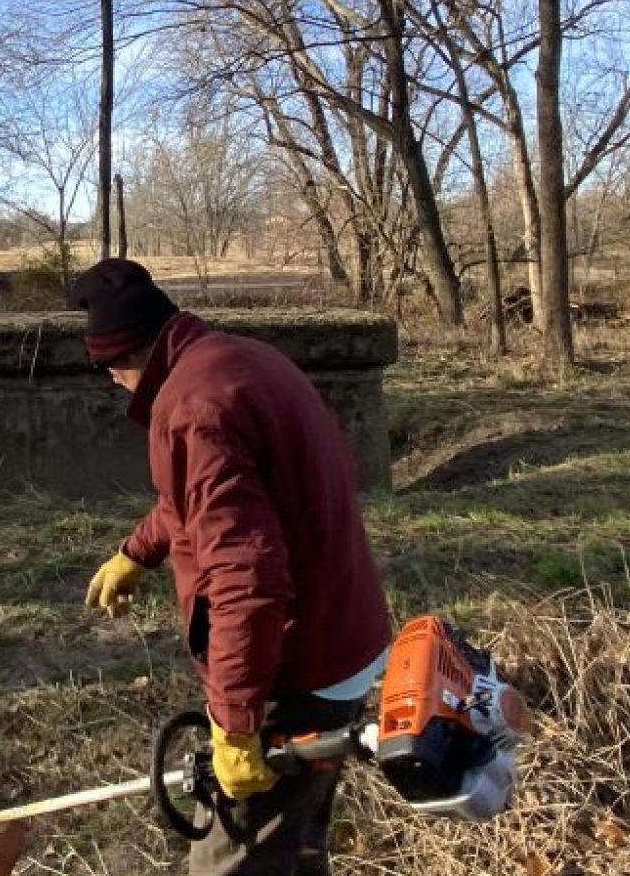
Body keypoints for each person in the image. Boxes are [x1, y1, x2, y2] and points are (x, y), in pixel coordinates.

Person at [71, 258, 392, 876]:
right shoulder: (238, 359)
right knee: (295, 845)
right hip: (344, 644)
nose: (113, 383)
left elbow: (247, 577)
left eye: (107, 369)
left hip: (295, 669)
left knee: (235, 860)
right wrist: (137, 552)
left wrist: (238, 724)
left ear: (123, 357)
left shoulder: (191, 406)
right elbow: (203, 498)